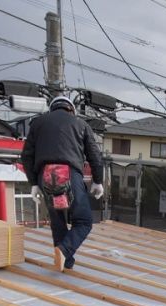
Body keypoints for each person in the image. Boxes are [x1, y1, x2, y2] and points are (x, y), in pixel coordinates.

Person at [20, 94, 105, 270]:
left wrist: (34, 182)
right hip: (70, 175)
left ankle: (65, 261)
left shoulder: (38, 123)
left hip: (46, 176)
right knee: (83, 222)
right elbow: (95, 155)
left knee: (57, 221)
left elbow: (26, 155)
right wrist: (98, 180)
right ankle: (64, 250)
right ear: (71, 109)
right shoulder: (81, 124)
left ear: (52, 108)